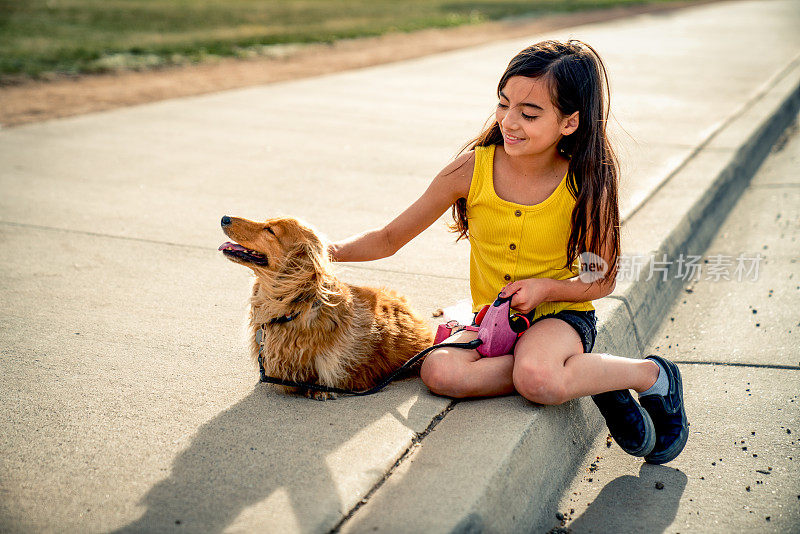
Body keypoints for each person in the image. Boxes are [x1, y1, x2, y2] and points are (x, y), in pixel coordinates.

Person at [329, 40, 688, 464]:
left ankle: (650, 375)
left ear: (570, 122)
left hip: (560, 316)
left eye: (529, 114)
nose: (509, 122)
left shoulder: (587, 182)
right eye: (503, 105)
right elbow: (390, 237)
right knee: (438, 371)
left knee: (538, 379)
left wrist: (543, 288)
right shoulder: (470, 169)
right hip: (492, 321)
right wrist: (321, 253)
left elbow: (601, 278)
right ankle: (585, 373)